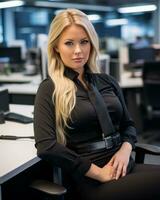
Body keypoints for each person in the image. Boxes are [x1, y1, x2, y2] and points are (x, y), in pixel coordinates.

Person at [34, 8, 160, 200]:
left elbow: (129, 126)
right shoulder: (49, 88)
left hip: (124, 165)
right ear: (56, 47)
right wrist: (98, 173)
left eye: (84, 42)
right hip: (92, 179)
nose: (78, 50)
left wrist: (125, 151)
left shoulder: (107, 81)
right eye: (69, 43)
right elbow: (46, 146)